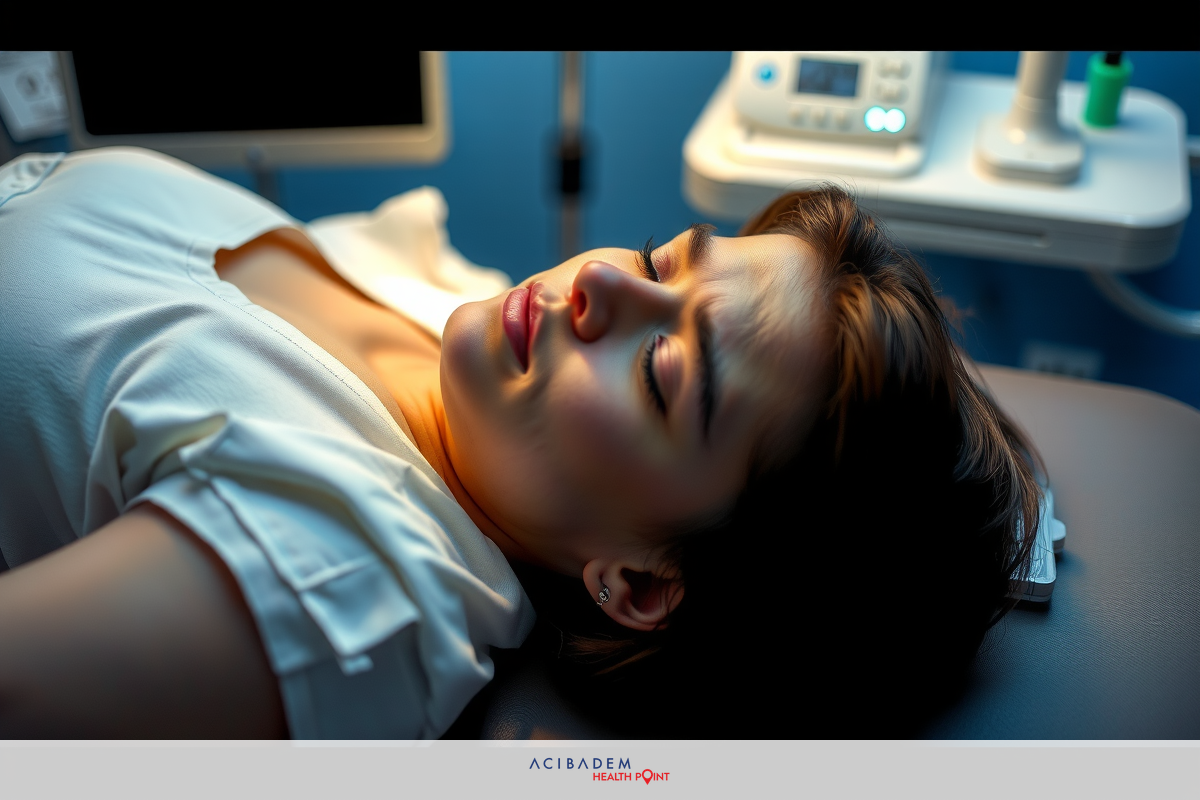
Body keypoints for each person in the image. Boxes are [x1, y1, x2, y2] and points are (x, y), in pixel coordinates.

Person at [0, 148, 1038, 739]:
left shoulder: (339, 570)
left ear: (642, 580)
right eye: (661, 259)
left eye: (661, 372)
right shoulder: (465, 333)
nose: (602, 285)